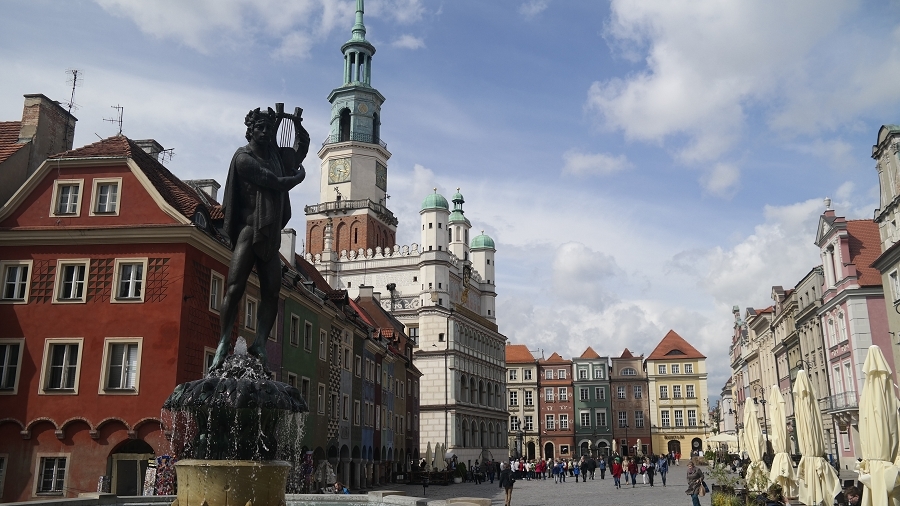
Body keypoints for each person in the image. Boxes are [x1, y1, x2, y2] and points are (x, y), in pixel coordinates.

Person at [210, 106, 309, 371]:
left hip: (270, 236)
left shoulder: (276, 155)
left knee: (272, 291)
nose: (265, 132)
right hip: (248, 230)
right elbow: (273, 181)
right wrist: (298, 177)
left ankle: (261, 342)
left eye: (268, 128)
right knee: (234, 287)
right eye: (260, 128)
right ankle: (223, 342)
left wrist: (297, 125)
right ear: (250, 131)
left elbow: (301, 150)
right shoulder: (243, 158)